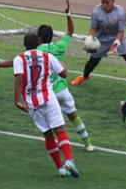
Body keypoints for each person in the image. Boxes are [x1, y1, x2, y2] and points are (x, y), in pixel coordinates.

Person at [0, 0, 95, 151]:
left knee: (51, 123)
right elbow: (70, 32)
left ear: (39, 38)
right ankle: (88, 144)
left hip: (48, 93)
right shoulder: (59, 46)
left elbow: (15, 62)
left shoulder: (36, 51)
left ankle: (58, 144)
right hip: (62, 89)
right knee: (73, 115)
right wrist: (68, 14)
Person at [14, 33, 80, 178]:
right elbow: (63, 74)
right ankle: (69, 160)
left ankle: (60, 168)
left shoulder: (19, 59)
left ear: (24, 44)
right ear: (38, 43)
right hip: (48, 98)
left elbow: (19, 79)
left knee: (48, 134)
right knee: (60, 131)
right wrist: (63, 66)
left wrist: (16, 100)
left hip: (32, 103)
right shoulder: (47, 56)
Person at [70, 0, 126, 92]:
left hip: (119, 38)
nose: (104, 5)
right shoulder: (96, 11)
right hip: (102, 39)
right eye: (102, 2)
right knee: (92, 61)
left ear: (113, 1)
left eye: (107, 3)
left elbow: (121, 31)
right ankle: (85, 76)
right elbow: (93, 28)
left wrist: (116, 43)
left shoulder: (120, 12)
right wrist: (91, 39)